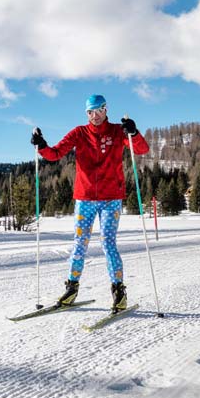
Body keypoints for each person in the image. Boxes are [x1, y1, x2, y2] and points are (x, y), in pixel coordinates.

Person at [31, 94, 149, 313]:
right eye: (90, 112)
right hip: (84, 198)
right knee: (79, 243)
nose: (94, 116)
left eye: (98, 110)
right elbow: (55, 154)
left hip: (111, 198)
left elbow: (141, 149)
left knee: (108, 243)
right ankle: (71, 288)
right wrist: (42, 146)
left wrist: (133, 132)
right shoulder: (79, 132)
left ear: (106, 109)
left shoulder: (117, 131)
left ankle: (119, 291)